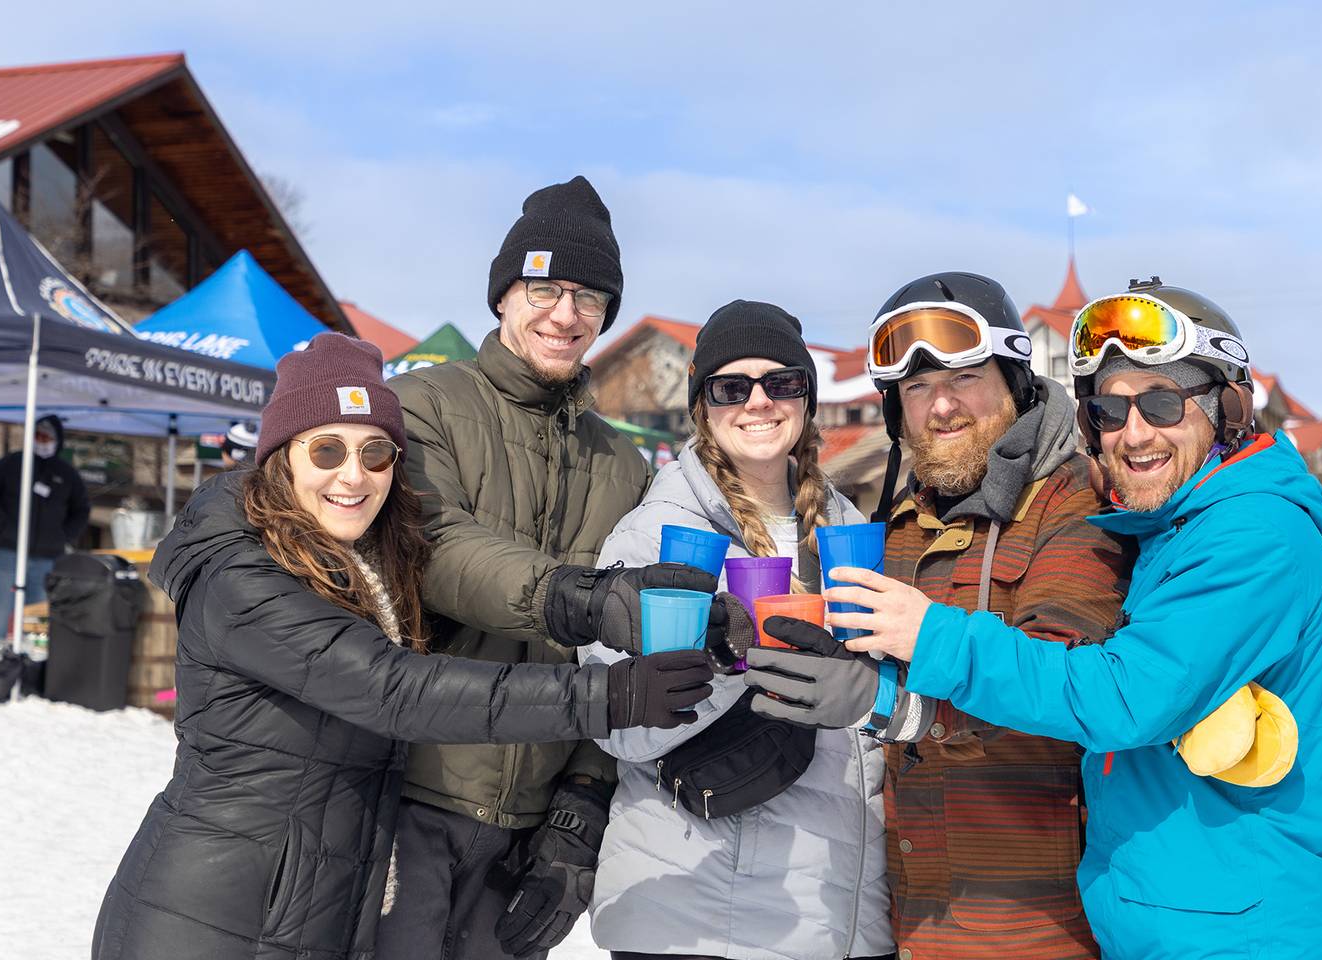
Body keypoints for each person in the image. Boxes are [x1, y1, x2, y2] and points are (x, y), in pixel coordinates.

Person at [93, 333, 714, 960]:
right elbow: (391, 689)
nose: (353, 475)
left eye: (376, 453)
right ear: (281, 457)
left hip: (304, 904)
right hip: (209, 914)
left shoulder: (362, 566)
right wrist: (608, 695)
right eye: (327, 449)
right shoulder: (242, 576)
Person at [815, 279, 1322, 958]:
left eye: (1164, 403)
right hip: (1172, 921)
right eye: (1109, 410)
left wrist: (933, 636)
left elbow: (1125, 695)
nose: (1134, 434)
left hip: (1246, 930)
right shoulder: (1172, 531)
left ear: (1227, 410)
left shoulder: (1252, 538)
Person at [743, 272, 1135, 959]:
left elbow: (1071, 685)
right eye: (916, 388)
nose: (942, 406)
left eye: (966, 377)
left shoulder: (1074, 506)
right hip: (911, 922)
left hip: (1036, 928)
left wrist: (893, 705)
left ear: (1016, 381)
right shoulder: (896, 528)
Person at [384, 176, 719, 960]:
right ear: (503, 296)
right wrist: (577, 597)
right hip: (405, 795)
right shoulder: (421, 404)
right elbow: (433, 545)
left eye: (589, 297)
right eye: (544, 287)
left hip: (529, 831)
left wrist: (580, 810)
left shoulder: (624, 462)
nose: (565, 314)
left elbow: (628, 654)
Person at [579, 300, 895, 960]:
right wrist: (727, 661)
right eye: (731, 387)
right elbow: (619, 725)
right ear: (702, 403)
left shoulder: (844, 529)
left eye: (782, 382)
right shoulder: (656, 535)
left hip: (834, 912)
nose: (759, 402)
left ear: (807, 397)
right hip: (696, 915)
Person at [0, 413, 91, 671]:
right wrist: (2, 522)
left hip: (47, 556)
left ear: (57, 440)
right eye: (38, 435)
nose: (42, 441)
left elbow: (82, 509)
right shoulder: (13, 463)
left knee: (36, 614)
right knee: (2, 606)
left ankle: (32, 667)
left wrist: (64, 536)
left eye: (47, 436)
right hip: (8, 551)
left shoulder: (66, 474)